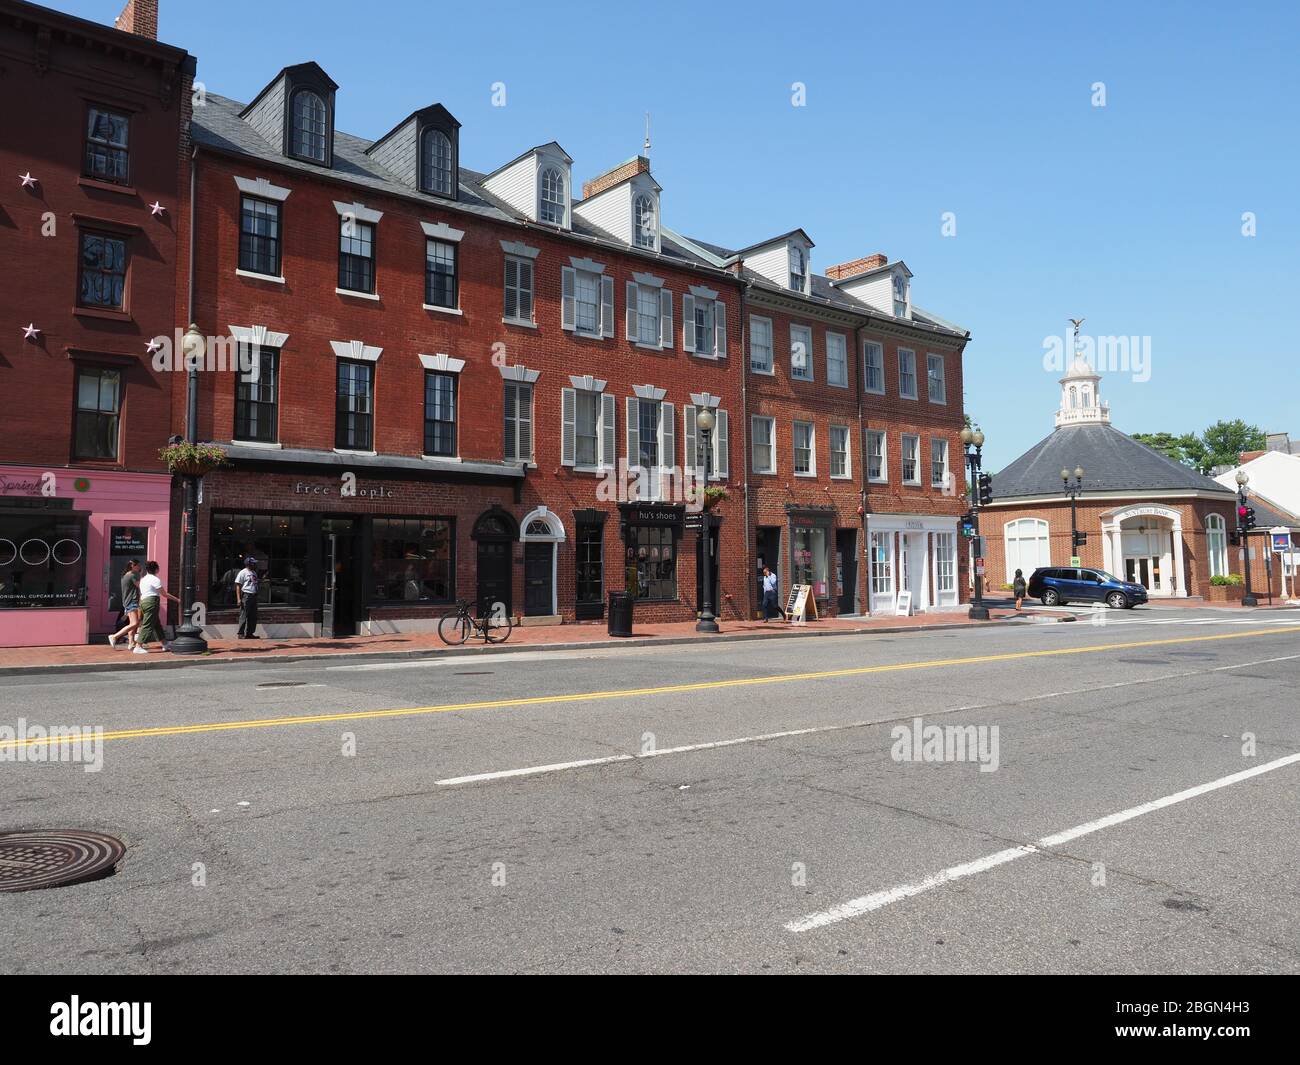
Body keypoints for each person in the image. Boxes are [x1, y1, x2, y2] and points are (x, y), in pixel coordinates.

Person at [134, 560, 179, 654]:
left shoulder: (143, 579)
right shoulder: (155, 579)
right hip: (151, 602)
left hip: (143, 602)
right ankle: (138, 646)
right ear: (156, 569)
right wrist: (177, 600)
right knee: (148, 624)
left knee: (156, 624)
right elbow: (164, 594)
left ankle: (165, 644)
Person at [108, 559, 142, 649]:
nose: (139, 567)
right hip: (132, 601)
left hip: (127, 602)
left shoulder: (125, 575)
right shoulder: (133, 575)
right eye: (138, 565)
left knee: (133, 623)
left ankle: (131, 643)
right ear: (133, 566)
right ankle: (114, 636)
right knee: (135, 623)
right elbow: (140, 586)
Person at [235, 556, 261, 639]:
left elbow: (254, 583)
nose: (255, 565)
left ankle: (250, 633)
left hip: (254, 595)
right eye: (253, 563)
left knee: (253, 615)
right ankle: (240, 633)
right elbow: (238, 585)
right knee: (244, 614)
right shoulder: (243, 572)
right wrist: (239, 599)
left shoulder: (254, 572)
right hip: (246, 595)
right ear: (249, 564)